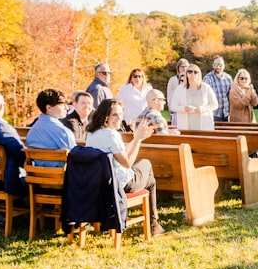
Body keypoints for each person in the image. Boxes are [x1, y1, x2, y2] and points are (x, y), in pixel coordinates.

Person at [85, 99, 164, 236]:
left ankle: (154, 225)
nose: (119, 118)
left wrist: (135, 139)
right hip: (119, 184)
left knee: (149, 179)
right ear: (105, 116)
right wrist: (138, 140)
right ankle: (153, 225)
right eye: (115, 114)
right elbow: (127, 163)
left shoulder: (92, 133)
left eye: (121, 114)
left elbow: (119, 154)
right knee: (146, 164)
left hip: (99, 184)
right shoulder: (111, 135)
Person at [26, 88, 76, 165]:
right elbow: (76, 155)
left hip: (37, 174)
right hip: (61, 175)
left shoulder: (32, 132)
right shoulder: (62, 131)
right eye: (62, 104)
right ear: (49, 108)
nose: (67, 107)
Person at [170, 64, 219, 131]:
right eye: (190, 71)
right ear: (186, 73)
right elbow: (173, 106)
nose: (193, 74)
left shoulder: (206, 87)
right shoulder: (180, 88)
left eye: (195, 72)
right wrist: (184, 108)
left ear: (199, 74)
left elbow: (214, 104)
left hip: (204, 126)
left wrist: (202, 109)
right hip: (185, 126)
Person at [203, 56, 233, 123]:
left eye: (220, 65)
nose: (218, 67)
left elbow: (230, 96)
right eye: (216, 64)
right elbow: (204, 97)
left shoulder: (228, 78)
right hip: (213, 114)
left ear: (224, 66)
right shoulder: (208, 79)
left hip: (226, 114)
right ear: (213, 65)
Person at [167, 58, 189, 127]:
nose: (184, 68)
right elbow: (169, 95)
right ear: (178, 68)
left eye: (186, 67)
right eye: (182, 67)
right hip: (176, 110)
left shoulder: (190, 79)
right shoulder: (172, 79)